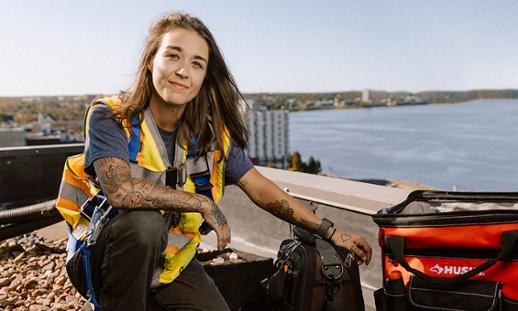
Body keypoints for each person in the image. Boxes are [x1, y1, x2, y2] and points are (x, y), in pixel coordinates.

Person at [82, 11, 372, 311]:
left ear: (205, 77)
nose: (184, 71)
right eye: (173, 56)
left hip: (169, 267)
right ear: (150, 60)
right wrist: (202, 203)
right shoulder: (112, 116)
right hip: (105, 260)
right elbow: (121, 191)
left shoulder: (210, 138)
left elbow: (261, 189)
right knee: (144, 224)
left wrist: (330, 231)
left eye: (197, 64)